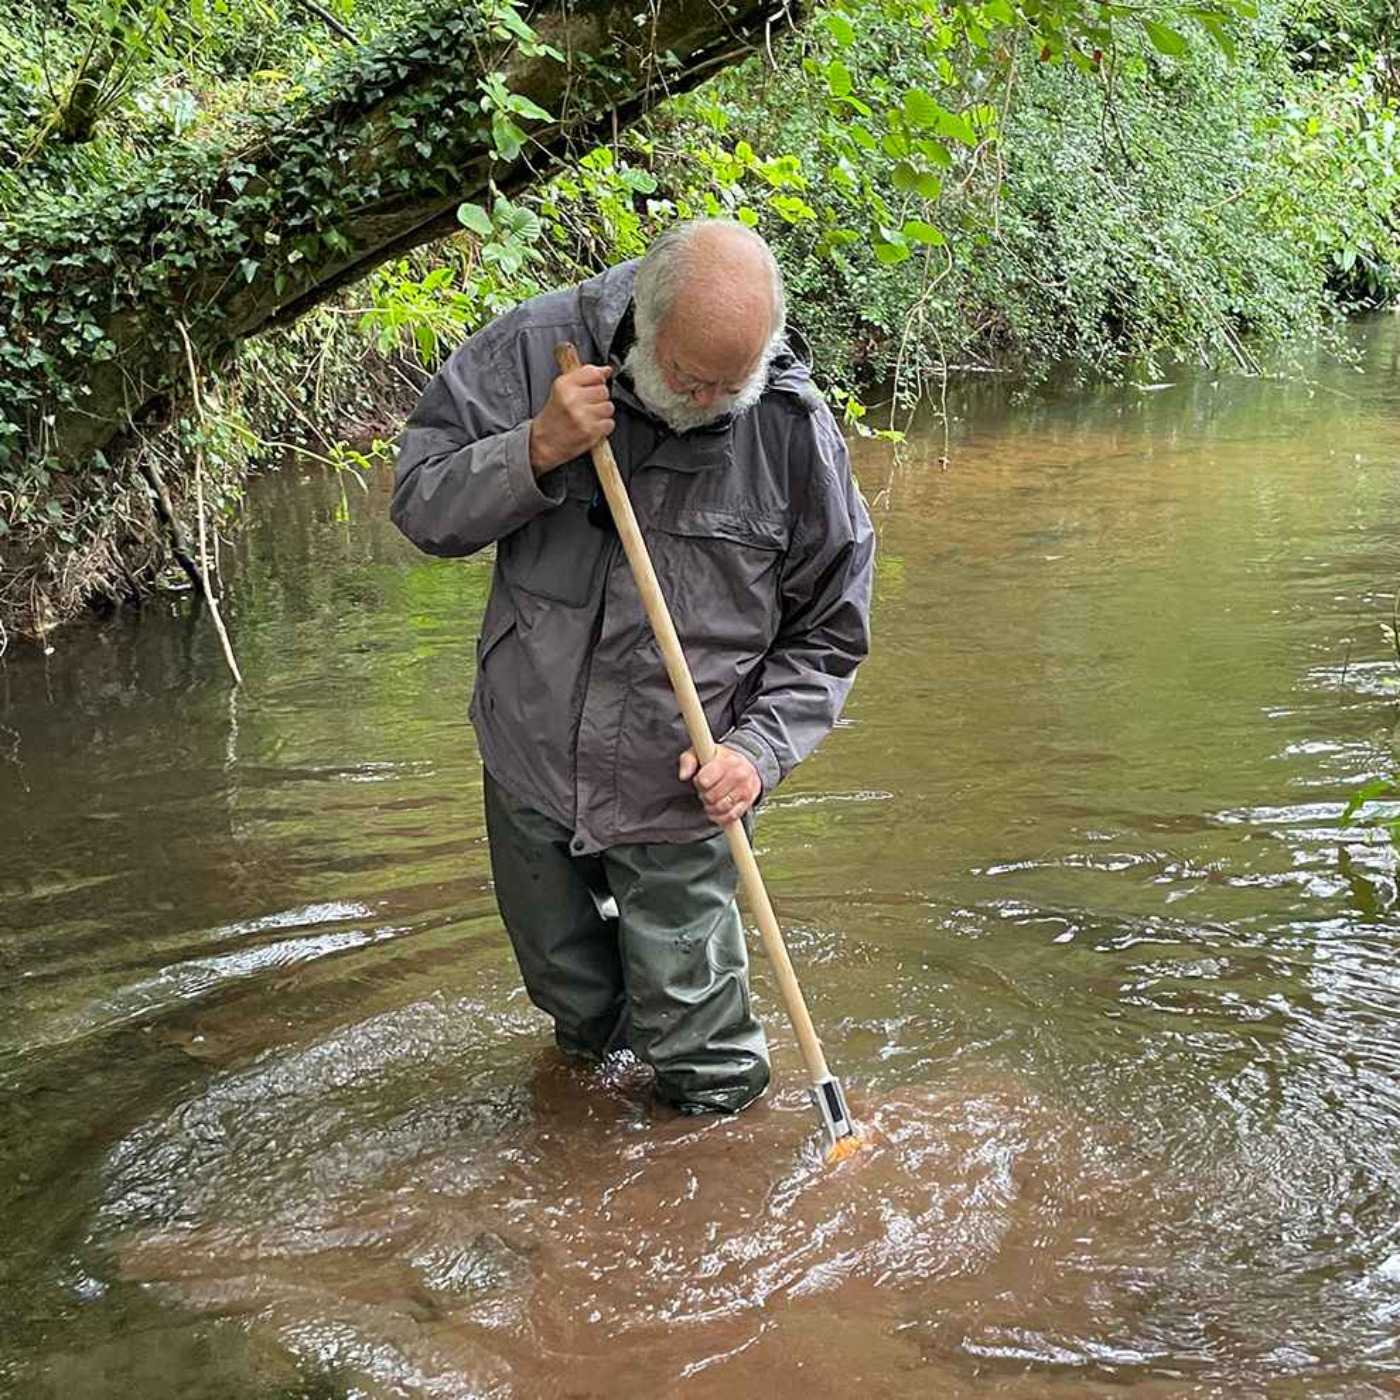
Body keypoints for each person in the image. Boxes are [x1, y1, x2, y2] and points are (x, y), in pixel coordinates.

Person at [390, 219, 874, 1115]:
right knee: (577, 1018)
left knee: (709, 1060)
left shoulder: (788, 426)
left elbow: (831, 630)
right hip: (529, 762)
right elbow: (421, 506)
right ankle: (590, 1169)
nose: (712, 400)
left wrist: (756, 755)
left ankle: (719, 1204)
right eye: (690, 377)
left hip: (682, 787)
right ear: (645, 325)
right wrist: (532, 449)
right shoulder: (535, 350)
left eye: (735, 380)